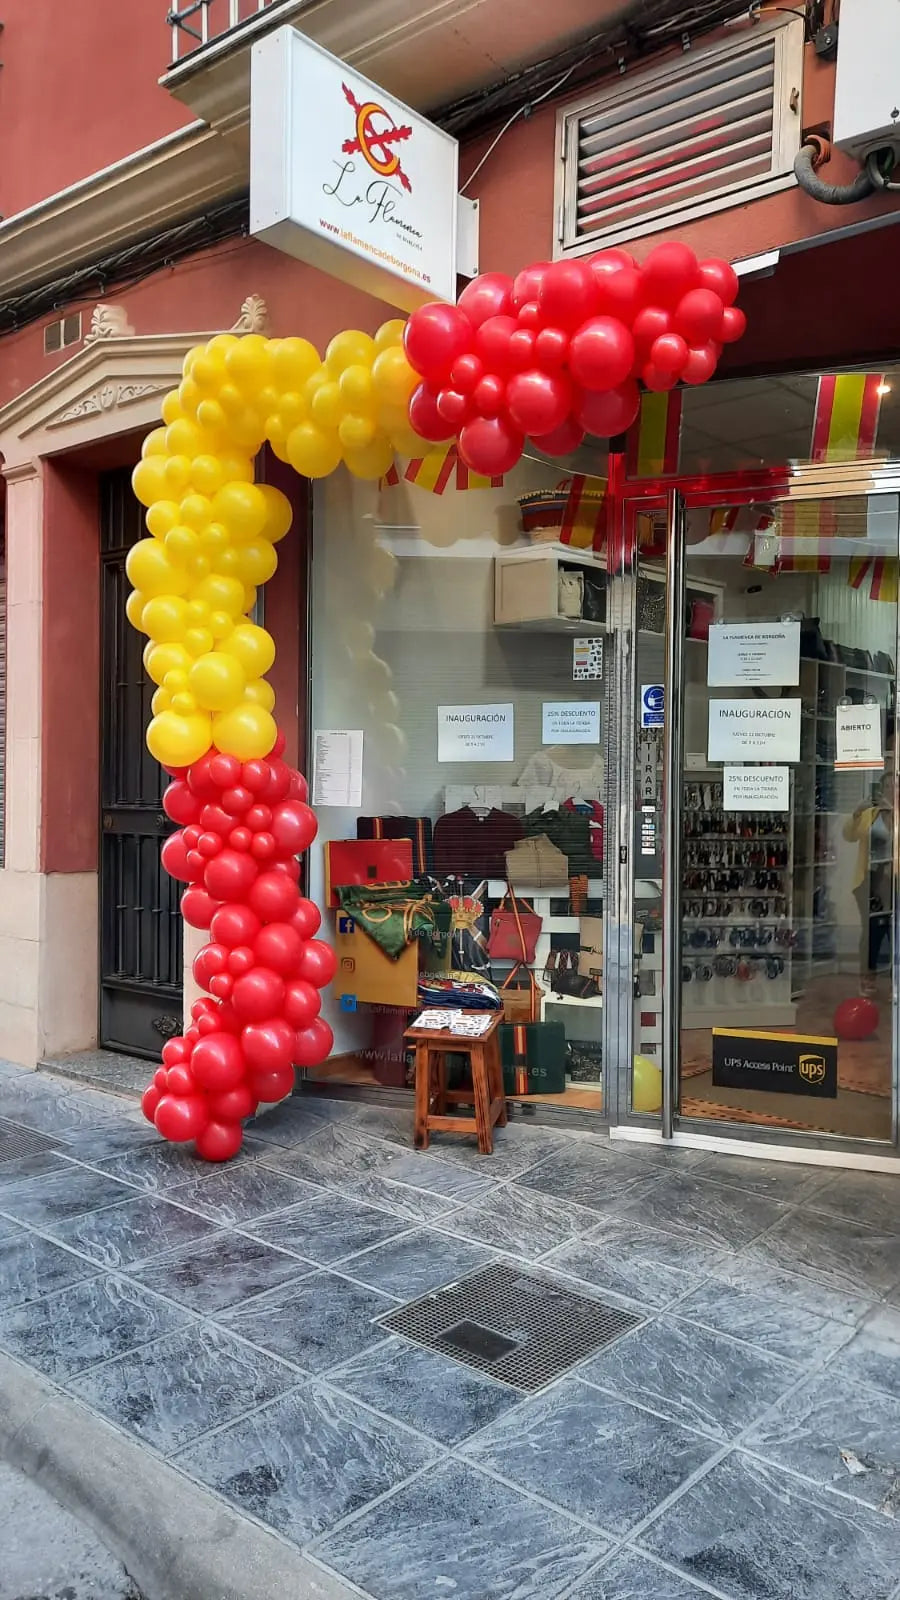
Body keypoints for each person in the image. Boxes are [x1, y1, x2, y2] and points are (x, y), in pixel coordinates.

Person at [843, 767, 895, 994]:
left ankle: (895, 977)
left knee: (895, 930)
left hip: (895, 880)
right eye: (887, 786)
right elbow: (849, 836)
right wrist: (856, 813)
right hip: (870, 881)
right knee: (872, 931)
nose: (891, 790)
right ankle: (868, 978)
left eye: (896, 786)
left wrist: (894, 813)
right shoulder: (870, 814)